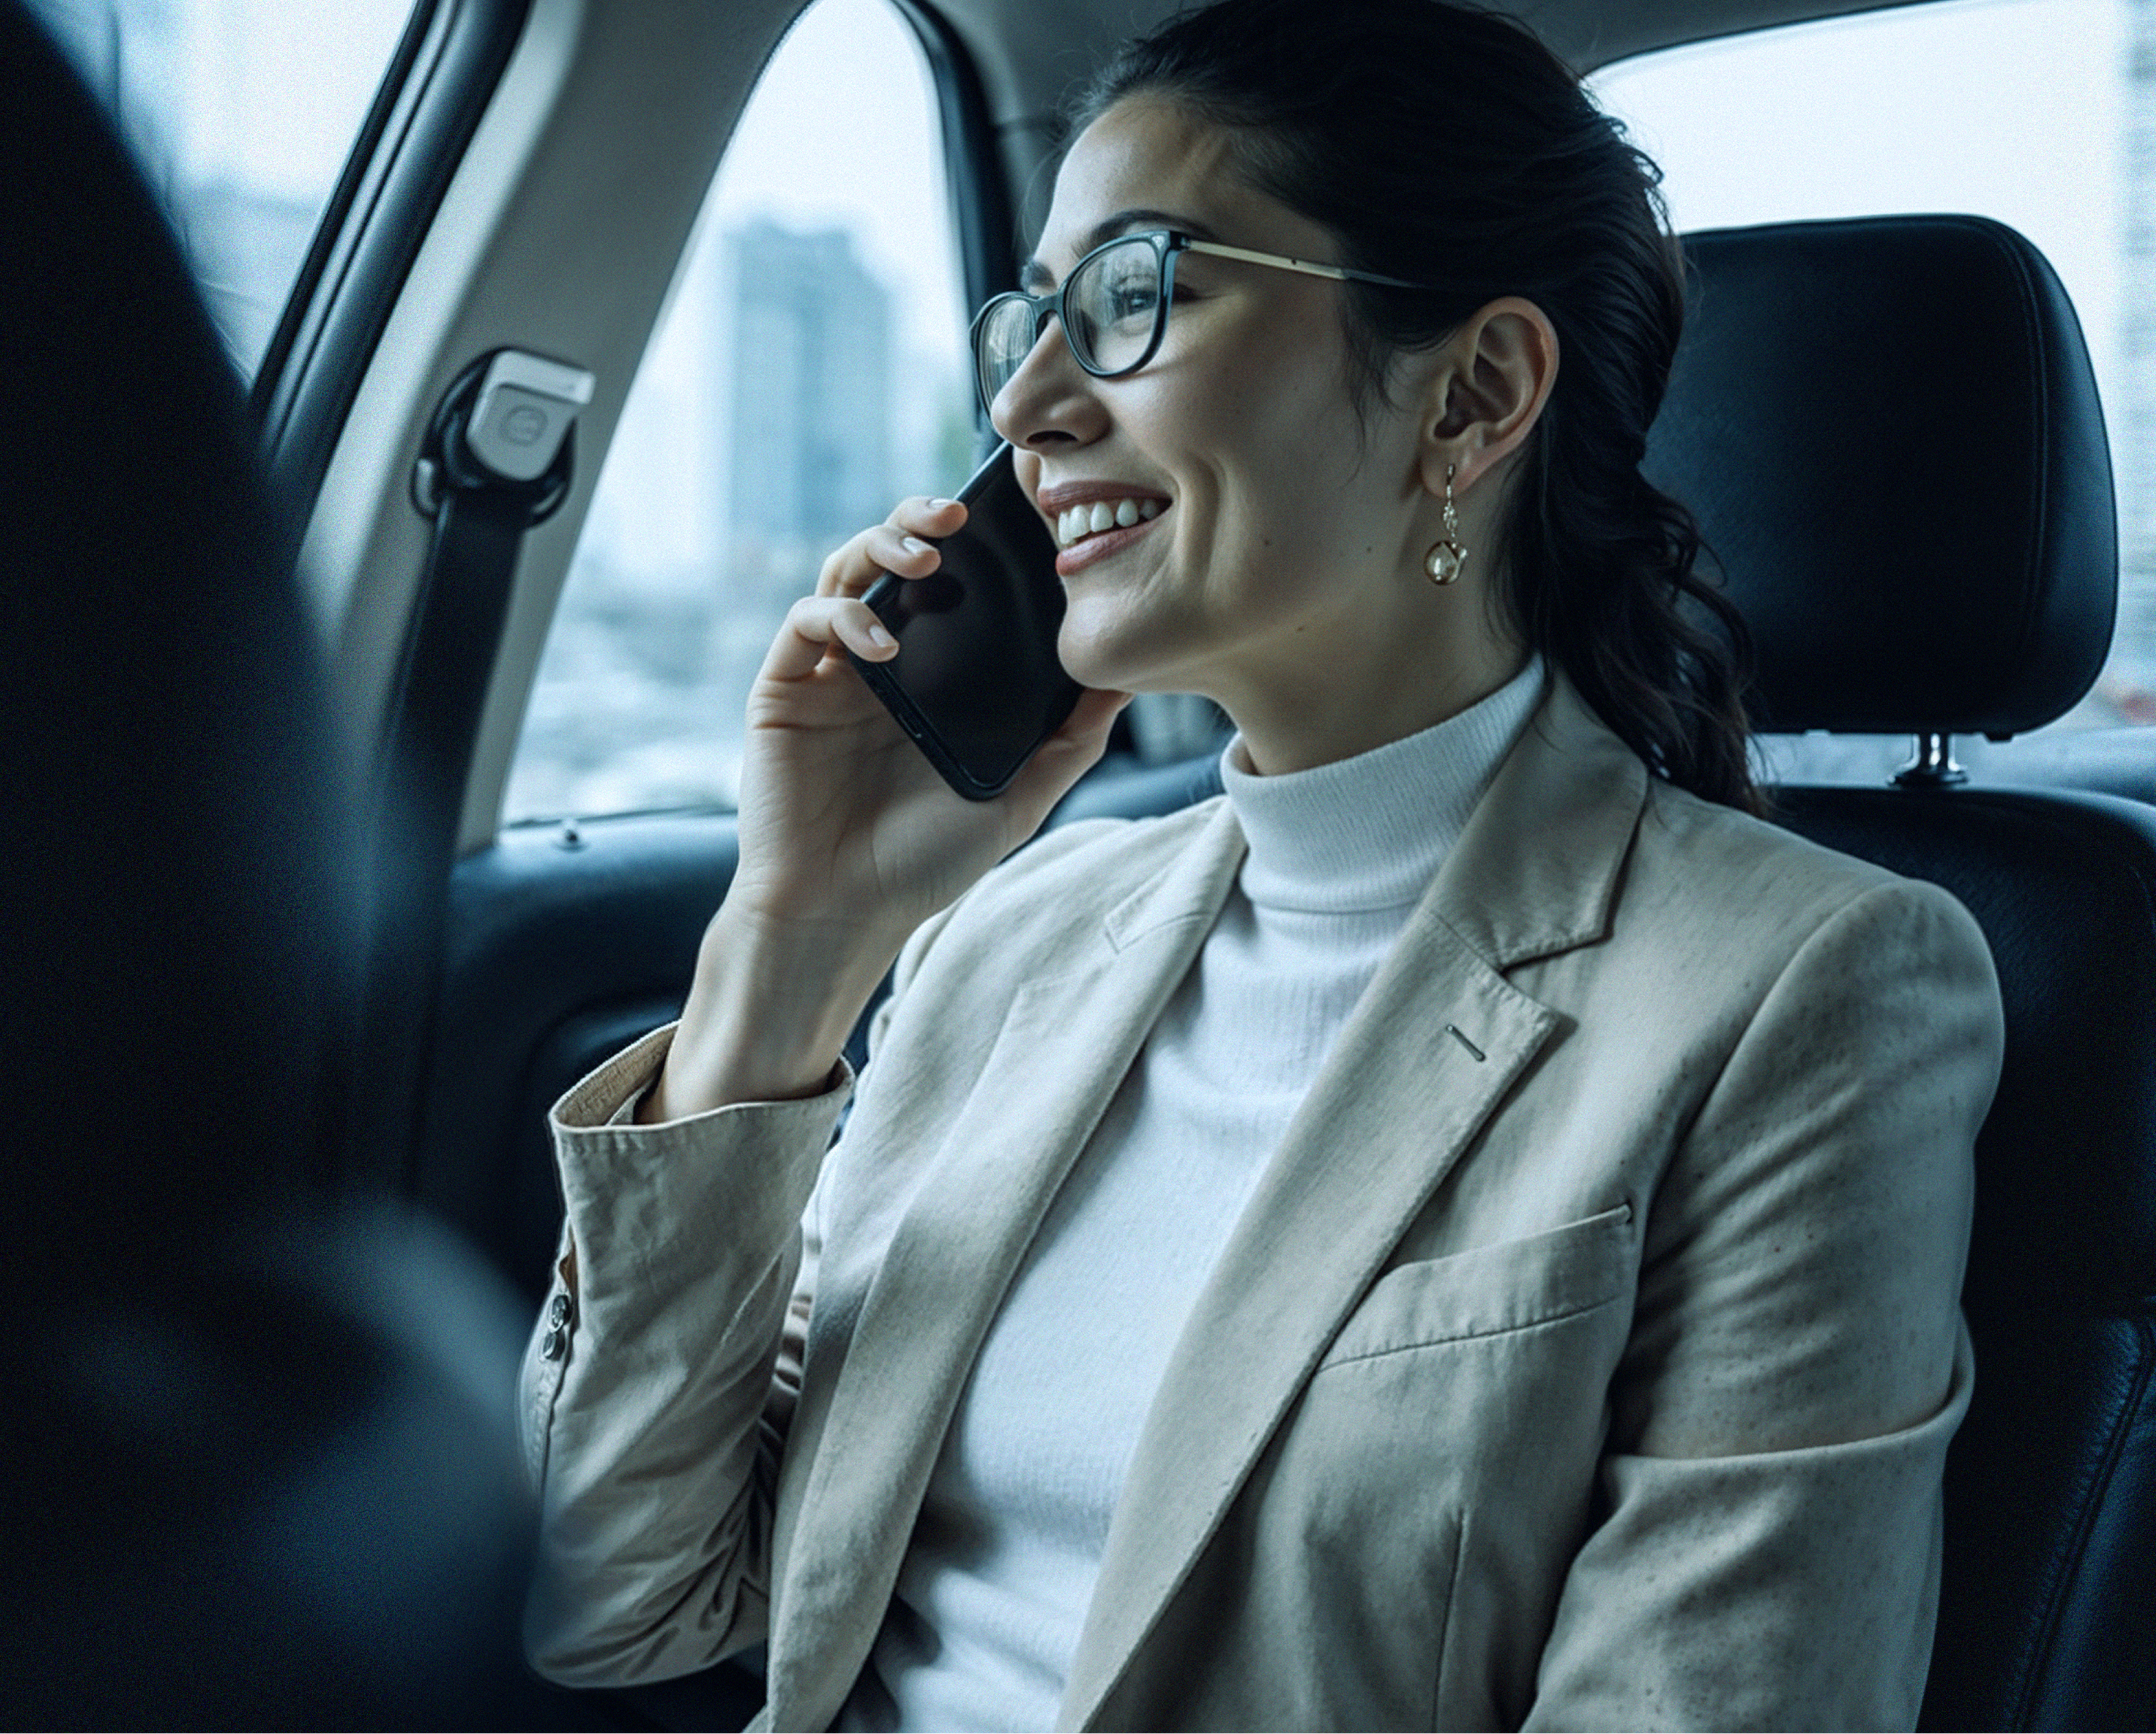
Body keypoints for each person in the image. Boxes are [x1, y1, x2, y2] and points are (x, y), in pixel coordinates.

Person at [518, 1, 2001, 1727]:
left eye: (1137, 295)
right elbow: (614, 1597)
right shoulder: (1009, 938)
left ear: (1477, 390)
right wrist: (794, 938)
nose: (1026, 404)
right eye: (1035, 319)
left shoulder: (1807, 994)